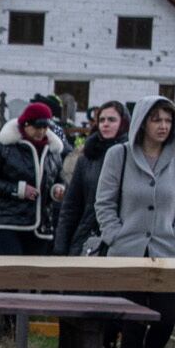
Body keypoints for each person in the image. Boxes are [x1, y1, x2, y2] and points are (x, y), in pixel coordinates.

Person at [92, 97, 175, 348]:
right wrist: (114, 235)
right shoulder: (120, 155)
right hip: (128, 250)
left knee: (164, 319)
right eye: (156, 120)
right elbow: (104, 201)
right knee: (133, 321)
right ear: (142, 122)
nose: (163, 126)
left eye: (168, 120)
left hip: (166, 251)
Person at [0, 100, 65, 253]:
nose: (41, 132)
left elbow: (58, 178)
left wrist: (57, 190)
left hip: (41, 225)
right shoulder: (5, 146)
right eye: (37, 127)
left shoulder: (53, 151)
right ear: (26, 125)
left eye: (45, 127)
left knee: (34, 274)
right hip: (7, 222)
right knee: (12, 273)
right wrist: (18, 190)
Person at [58, 99, 128, 257]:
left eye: (112, 120)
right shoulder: (88, 158)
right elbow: (71, 205)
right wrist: (61, 246)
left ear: (123, 123)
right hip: (89, 234)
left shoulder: (131, 157)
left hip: (123, 238)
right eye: (102, 120)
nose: (106, 124)